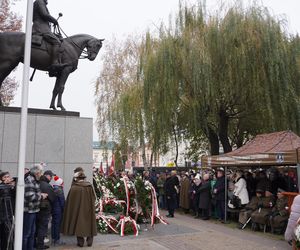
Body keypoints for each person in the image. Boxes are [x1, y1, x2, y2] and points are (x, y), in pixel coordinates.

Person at [61, 171, 97, 247]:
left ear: (77, 178)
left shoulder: (74, 188)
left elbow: (70, 201)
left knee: (79, 225)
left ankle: (80, 243)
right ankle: (89, 242)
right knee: (90, 224)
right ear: (84, 178)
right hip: (89, 209)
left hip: (77, 210)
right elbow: (93, 198)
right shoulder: (89, 186)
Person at [32, 0, 67, 76]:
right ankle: (54, 63)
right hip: (40, 28)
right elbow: (44, 15)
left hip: (43, 27)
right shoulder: (39, 1)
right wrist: (54, 20)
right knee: (56, 41)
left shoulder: (40, 2)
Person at [23, 165, 48, 250]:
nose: (41, 175)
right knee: (27, 233)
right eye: (41, 173)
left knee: (32, 233)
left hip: (33, 210)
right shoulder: (29, 181)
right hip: (29, 211)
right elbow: (30, 197)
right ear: (37, 173)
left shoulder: (34, 180)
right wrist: (41, 196)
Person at [35, 170, 56, 249]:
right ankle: (40, 245)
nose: (51, 178)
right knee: (42, 228)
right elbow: (52, 198)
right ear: (47, 176)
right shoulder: (47, 185)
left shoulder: (37, 183)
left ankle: (35, 244)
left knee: (36, 227)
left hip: (35, 208)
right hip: (44, 210)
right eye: (51, 176)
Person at [0, 171, 16, 250]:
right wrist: (4, 185)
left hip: (9, 215)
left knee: (9, 236)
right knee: (4, 236)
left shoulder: (11, 187)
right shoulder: (3, 187)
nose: (7, 178)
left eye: (8, 176)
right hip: (4, 215)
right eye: (5, 177)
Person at [51, 175, 65, 246]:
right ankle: (57, 240)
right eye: (62, 183)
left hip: (53, 209)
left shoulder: (53, 189)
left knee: (53, 224)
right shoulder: (59, 190)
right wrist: (64, 209)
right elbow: (62, 202)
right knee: (57, 225)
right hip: (58, 210)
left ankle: (53, 239)